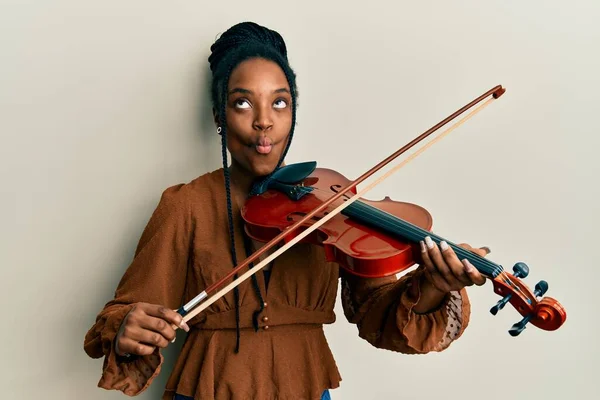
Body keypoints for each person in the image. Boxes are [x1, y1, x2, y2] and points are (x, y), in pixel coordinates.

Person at [83, 21, 489, 400]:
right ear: (218, 117)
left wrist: (434, 284)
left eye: (280, 102)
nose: (264, 122)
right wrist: (126, 329)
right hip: (214, 385)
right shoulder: (186, 204)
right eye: (243, 103)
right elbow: (125, 310)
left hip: (305, 384)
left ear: (293, 113)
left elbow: (377, 315)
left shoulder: (331, 202)